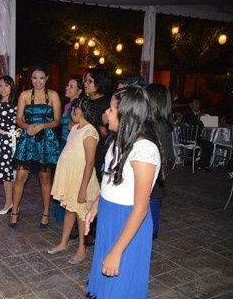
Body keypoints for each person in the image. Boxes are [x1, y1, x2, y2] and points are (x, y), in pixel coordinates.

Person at [85, 86, 164, 299]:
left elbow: (140, 208)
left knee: (121, 286)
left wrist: (117, 250)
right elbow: (110, 181)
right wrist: (96, 204)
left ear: (126, 115)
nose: (106, 114)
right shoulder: (116, 140)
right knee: (106, 284)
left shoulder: (144, 150)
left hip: (128, 222)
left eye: (111, 110)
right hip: (110, 216)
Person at [48, 97, 99, 264]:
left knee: (82, 213)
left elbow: (90, 162)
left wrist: (83, 188)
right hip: (71, 178)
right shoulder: (76, 127)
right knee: (70, 210)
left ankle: (81, 248)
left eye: (73, 110)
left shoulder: (90, 131)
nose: (71, 114)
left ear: (80, 110)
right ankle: (63, 243)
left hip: (81, 179)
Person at [9, 66, 61, 229]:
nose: (37, 81)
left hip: (47, 140)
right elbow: (18, 119)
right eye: (34, 78)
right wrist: (27, 127)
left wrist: (42, 126)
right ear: (30, 79)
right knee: (20, 177)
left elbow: (57, 120)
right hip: (28, 139)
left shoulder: (53, 95)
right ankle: (14, 211)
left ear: (46, 79)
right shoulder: (24, 95)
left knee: (45, 178)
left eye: (41, 78)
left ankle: (46, 213)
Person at [51, 77, 84, 224]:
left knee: (71, 181)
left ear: (80, 91)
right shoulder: (67, 105)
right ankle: (62, 215)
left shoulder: (80, 107)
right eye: (67, 85)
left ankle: (70, 217)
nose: (67, 88)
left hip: (73, 145)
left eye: (71, 86)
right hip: (63, 143)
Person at [145, 84, 175, 239]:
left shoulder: (158, 125)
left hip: (154, 178)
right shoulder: (160, 123)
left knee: (150, 216)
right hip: (156, 177)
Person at [0, 76, 20, 215]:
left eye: (6, 86)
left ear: (11, 87)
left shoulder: (18, 102)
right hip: (3, 142)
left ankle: (15, 203)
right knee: (6, 174)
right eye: (1, 85)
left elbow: (23, 121)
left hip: (17, 141)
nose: (3, 89)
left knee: (17, 175)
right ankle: (9, 203)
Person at [83, 68, 112, 181]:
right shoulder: (85, 101)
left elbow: (107, 132)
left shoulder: (107, 104)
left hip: (98, 151)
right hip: (82, 147)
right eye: (85, 81)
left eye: (90, 81)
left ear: (99, 83)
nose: (85, 84)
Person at [181, 98, 214, 171]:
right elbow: (198, 125)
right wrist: (199, 118)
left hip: (190, 138)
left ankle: (189, 161)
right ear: (190, 105)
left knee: (200, 141)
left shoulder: (191, 113)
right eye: (196, 103)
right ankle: (202, 165)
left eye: (199, 103)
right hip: (189, 139)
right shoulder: (189, 113)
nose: (198, 105)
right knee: (209, 144)